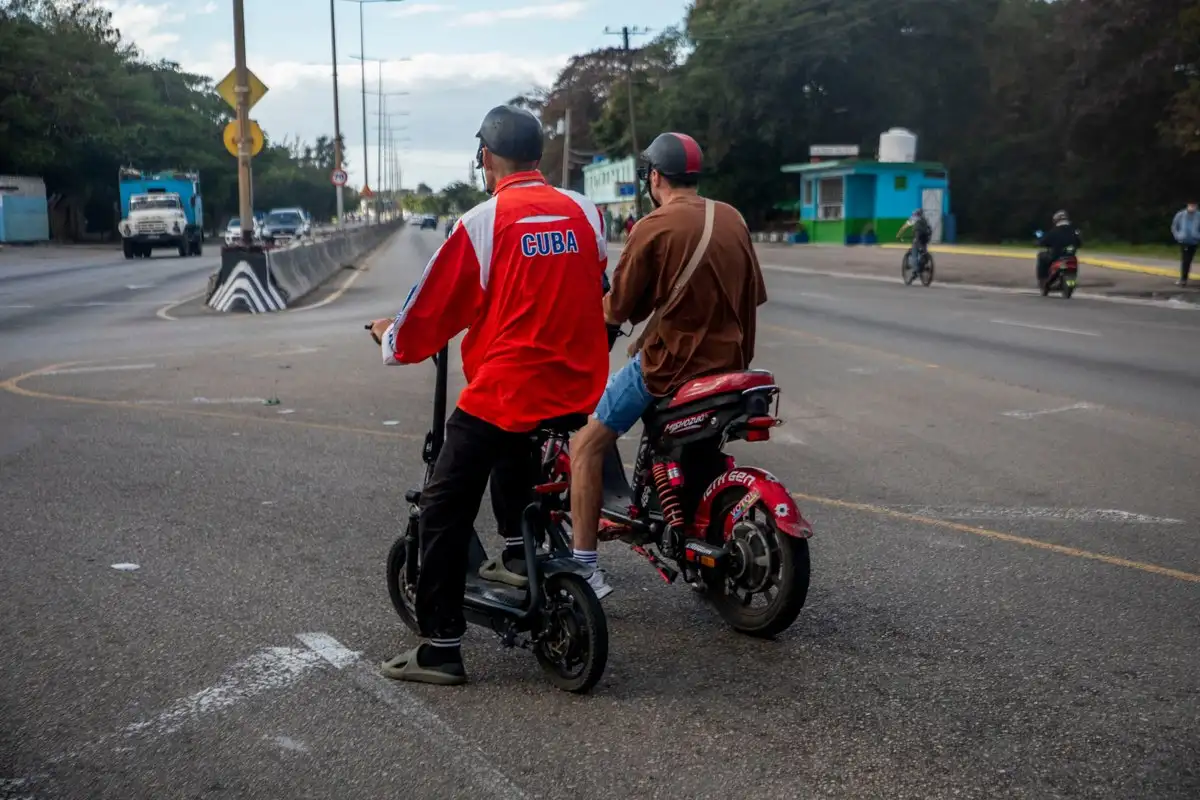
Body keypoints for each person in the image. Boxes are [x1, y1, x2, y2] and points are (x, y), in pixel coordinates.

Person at [367, 104, 610, 685]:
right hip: (579, 386)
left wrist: (391, 336)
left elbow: (431, 309)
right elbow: (590, 281)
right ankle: (519, 554)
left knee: (443, 505)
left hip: (512, 388)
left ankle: (440, 646)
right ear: (537, 155)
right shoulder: (585, 211)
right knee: (513, 444)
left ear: (486, 157)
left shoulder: (483, 222)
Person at [568, 132, 768, 599]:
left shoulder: (653, 226)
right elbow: (752, 295)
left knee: (586, 445)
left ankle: (584, 569)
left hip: (670, 366)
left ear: (654, 177)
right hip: (731, 366)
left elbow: (619, 308)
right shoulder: (732, 218)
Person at [1036, 209, 1083, 287]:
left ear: (1056, 220)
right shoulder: (1074, 231)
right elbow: (1079, 243)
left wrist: (1040, 242)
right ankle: (1069, 281)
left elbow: (1044, 242)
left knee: (1041, 256)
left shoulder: (1053, 231)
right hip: (1070, 256)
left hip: (1056, 256)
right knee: (1074, 261)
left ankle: (1043, 280)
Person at [1171, 200, 1199, 287]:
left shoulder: (1198, 216)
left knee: (1189, 259)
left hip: (1194, 240)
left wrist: (1198, 235)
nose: (1192, 207)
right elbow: (1174, 226)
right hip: (1184, 240)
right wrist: (1178, 236)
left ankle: (1183, 278)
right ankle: (1183, 279)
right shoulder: (1181, 215)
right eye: (1191, 205)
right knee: (1186, 259)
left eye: (1194, 205)